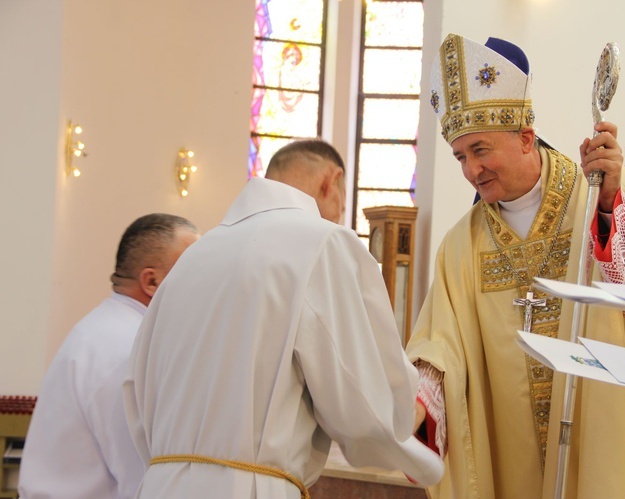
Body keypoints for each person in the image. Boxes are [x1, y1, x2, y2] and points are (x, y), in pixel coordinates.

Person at [406, 34, 625, 499]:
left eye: (480, 150)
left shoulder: (600, 191)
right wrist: (418, 402)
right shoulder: (460, 245)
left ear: (524, 137)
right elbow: (441, 348)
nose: (471, 171)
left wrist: (612, 210)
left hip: (601, 435)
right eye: (461, 157)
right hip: (509, 459)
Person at [123, 139, 444, 498]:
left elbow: (135, 390)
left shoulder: (192, 258)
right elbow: (365, 411)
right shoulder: (321, 243)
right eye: (340, 203)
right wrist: (421, 404)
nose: (338, 214)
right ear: (331, 181)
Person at [18, 213, 200, 499]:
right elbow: (142, 478)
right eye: (194, 270)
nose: (203, 284)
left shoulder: (105, 329)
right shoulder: (127, 348)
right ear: (151, 281)